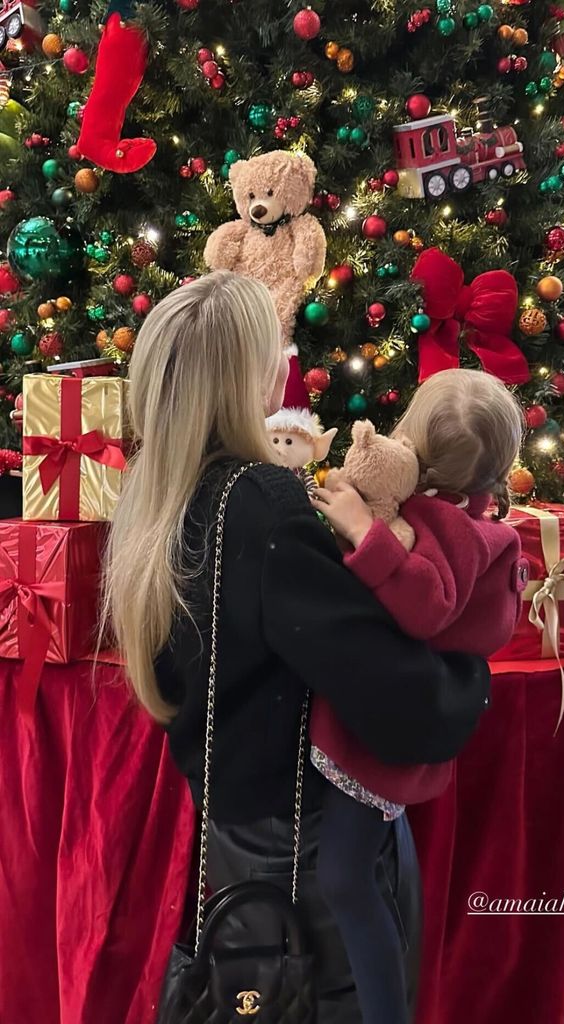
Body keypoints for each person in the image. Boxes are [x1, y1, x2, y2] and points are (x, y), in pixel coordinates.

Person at [102, 272, 491, 1024]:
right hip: (305, 854)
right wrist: (467, 669)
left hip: (237, 838)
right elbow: (395, 695)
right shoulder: (259, 500)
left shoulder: (157, 496)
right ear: (249, 374)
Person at [310, 369, 526, 1024]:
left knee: (345, 879)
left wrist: (360, 528)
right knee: (364, 864)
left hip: (380, 732)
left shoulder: (442, 522)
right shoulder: (467, 518)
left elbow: (426, 605)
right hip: (399, 725)